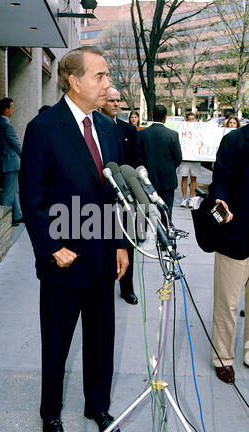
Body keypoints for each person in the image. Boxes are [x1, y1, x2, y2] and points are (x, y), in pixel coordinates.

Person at [19, 46, 129, 432]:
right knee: (58, 342)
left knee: (102, 341)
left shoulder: (110, 128)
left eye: (107, 76)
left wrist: (120, 244)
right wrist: (51, 246)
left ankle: (97, 406)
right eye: (99, 76)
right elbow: (32, 197)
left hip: (102, 258)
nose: (107, 84)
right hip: (63, 262)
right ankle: (50, 412)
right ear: (74, 80)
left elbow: (116, 195)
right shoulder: (43, 128)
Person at [208, 123, 249, 384]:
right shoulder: (235, 140)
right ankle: (223, 358)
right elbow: (219, 181)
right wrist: (219, 203)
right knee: (228, 304)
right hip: (235, 236)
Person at [101, 87, 143, 305]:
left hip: (125, 197)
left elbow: (136, 159)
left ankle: (127, 288)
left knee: (127, 242)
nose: (116, 104)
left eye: (118, 101)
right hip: (101, 197)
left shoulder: (128, 130)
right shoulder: (95, 126)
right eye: (112, 100)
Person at [138, 104, 182, 221]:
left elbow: (138, 157)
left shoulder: (142, 134)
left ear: (152, 115)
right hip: (166, 179)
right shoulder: (172, 135)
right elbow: (178, 158)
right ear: (165, 117)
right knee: (166, 211)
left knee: (146, 211)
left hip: (146, 179)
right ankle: (166, 233)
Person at [0, 97, 23, 225]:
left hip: (6, 162)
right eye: (12, 107)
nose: (13, 110)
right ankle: (4, 219)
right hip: (11, 163)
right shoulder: (7, 126)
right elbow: (17, 145)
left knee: (14, 190)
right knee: (9, 192)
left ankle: (17, 216)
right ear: (6, 110)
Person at [178, 112, 203, 208]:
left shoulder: (199, 130)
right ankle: (184, 198)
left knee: (194, 178)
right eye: (189, 119)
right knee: (184, 177)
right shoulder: (183, 130)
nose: (191, 121)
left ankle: (192, 198)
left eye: (193, 119)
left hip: (195, 157)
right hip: (185, 157)